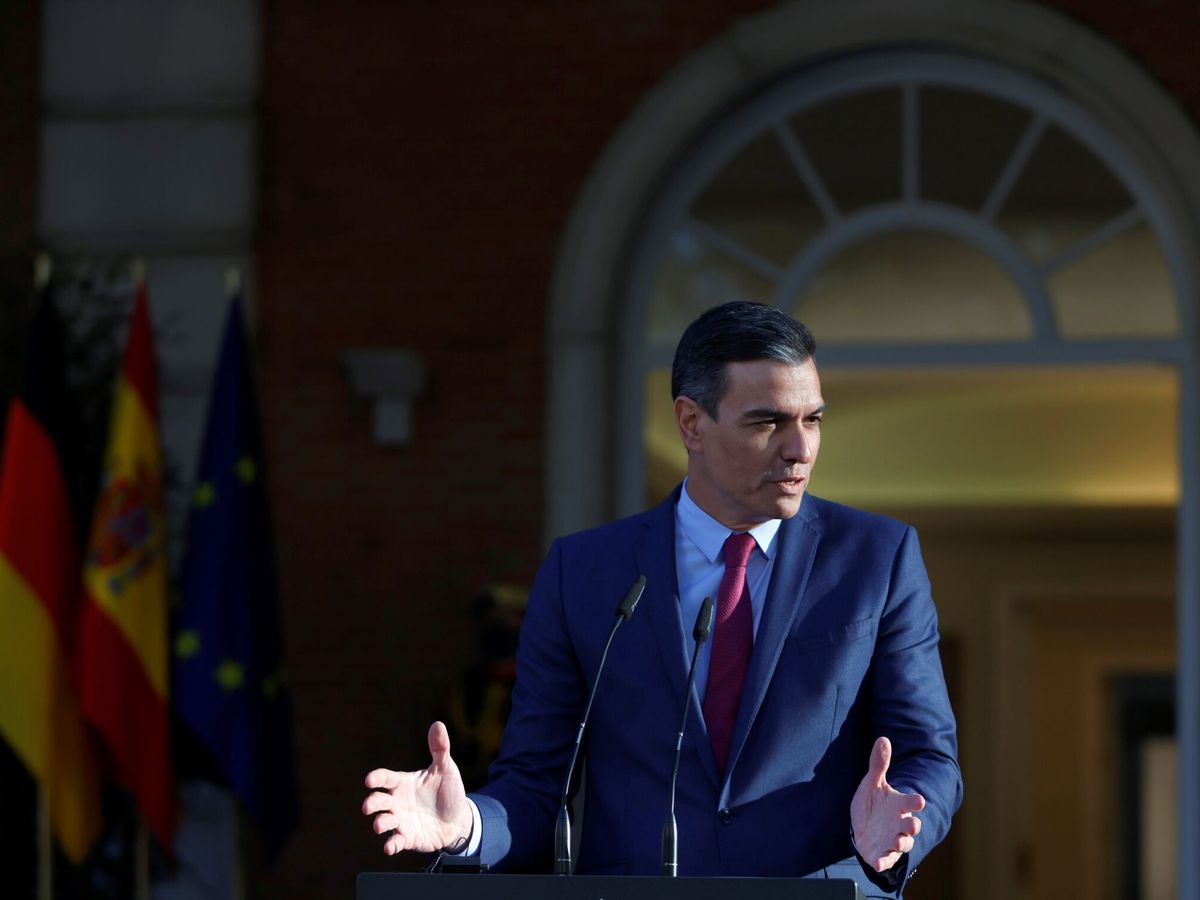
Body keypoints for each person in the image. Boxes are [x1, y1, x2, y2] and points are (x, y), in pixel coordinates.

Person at [362, 301, 962, 897]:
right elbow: (536, 783)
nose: (800, 449)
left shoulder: (877, 558)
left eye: (813, 420)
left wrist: (900, 827)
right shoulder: (584, 573)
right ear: (691, 423)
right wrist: (466, 826)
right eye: (767, 422)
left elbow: (928, 757)